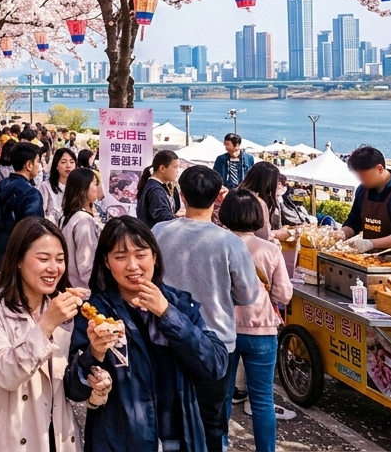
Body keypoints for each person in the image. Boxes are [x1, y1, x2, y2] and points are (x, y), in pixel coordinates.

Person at [65, 216, 228, 451]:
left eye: (141, 254)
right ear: (107, 262)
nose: (132, 265)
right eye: (120, 257)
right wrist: (94, 352)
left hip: (179, 437)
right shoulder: (94, 314)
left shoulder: (179, 305)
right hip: (118, 441)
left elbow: (215, 365)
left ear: (154, 256)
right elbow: (74, 389)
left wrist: (167, 314)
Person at [0, 217, 112, 452]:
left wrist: (95, 363)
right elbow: (3, 374)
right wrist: (47, 324)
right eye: (43, 259)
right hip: (11, 438)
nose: (53, 268)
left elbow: (66, 384)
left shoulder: (64, 308)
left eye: (60, 259)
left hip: (60, 437)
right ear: (17, 260)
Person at [153, 166, 261, 452]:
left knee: (166, 418)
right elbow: (248, 295)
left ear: (182, 195)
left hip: (164, 338)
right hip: (215, 343)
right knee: (211, 421)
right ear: (217, 199)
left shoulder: (159, 232)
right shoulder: (229, 243)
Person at [218, 190, 293, 452]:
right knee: (262, 400)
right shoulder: (270, 249)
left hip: (223, 330)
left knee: (222, 397)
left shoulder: (218, 244)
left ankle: (221, 446)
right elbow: (284, 294)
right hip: (261, 330)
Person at [0, 143, 44, 259]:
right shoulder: (31, 194)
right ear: (29, 165)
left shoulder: (1, 185)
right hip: (22, 252)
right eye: (38, 161)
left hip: (3, 246)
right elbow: (33, 228)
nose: (40, 165)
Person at [60, 168, 103, 290]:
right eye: (95, 184)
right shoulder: (84, 220)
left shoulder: (67, 216)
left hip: (72, 285)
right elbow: (86, 263)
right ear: (83, 188)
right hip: (85, 289)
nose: (97, 188)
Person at [136, 150, 182, 229]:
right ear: (162, 168)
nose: (177, 171)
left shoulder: (163, 186)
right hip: (155, 237)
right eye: (175, 167)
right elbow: (162, 217)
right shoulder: (155, 190)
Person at [37, 148, 76, 225]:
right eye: (63, 162)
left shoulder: (79, 187)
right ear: (56, 166)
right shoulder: (45, 187)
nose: (68, 166)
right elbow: (40, 214)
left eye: (72, 162)